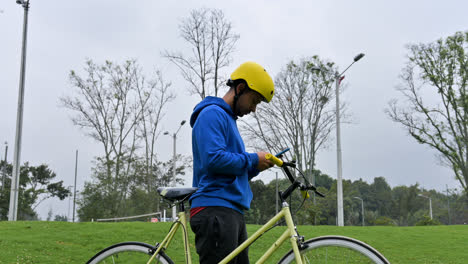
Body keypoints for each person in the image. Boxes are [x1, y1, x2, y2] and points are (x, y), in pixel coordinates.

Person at [189, 61, 275, 264]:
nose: (254, 109)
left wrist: (256, 167)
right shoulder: (212, 114)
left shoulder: (228, 120)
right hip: (214, 207)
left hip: (229, 208)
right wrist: (253, 159)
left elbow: (229, 168)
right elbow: (214, 159)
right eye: (254, 101)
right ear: (241, 88)